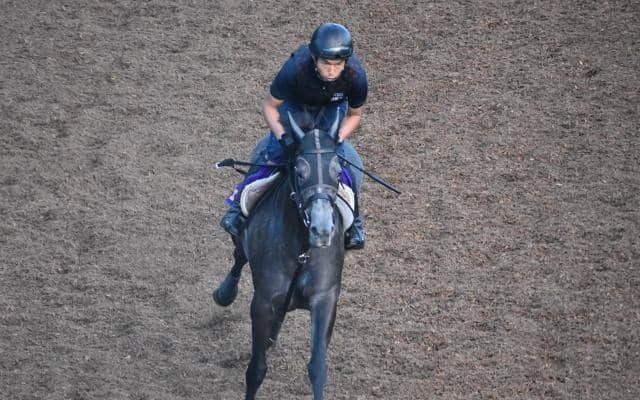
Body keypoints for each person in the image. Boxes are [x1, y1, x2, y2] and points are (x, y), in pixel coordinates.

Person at [220, 22, 368, 250]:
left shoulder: (356, 75)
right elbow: (269, 106)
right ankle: (238, 210)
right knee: (272, 156)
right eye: (326, 64)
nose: (331, 71)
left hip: (331, 109)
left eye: (337, 65)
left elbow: (355, 115)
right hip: (295, 107)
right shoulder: (295, 68)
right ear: (314, 59)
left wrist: (337, 138)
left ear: (345, 62)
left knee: (339, 165)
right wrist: (283, 137)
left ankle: (355, 223)